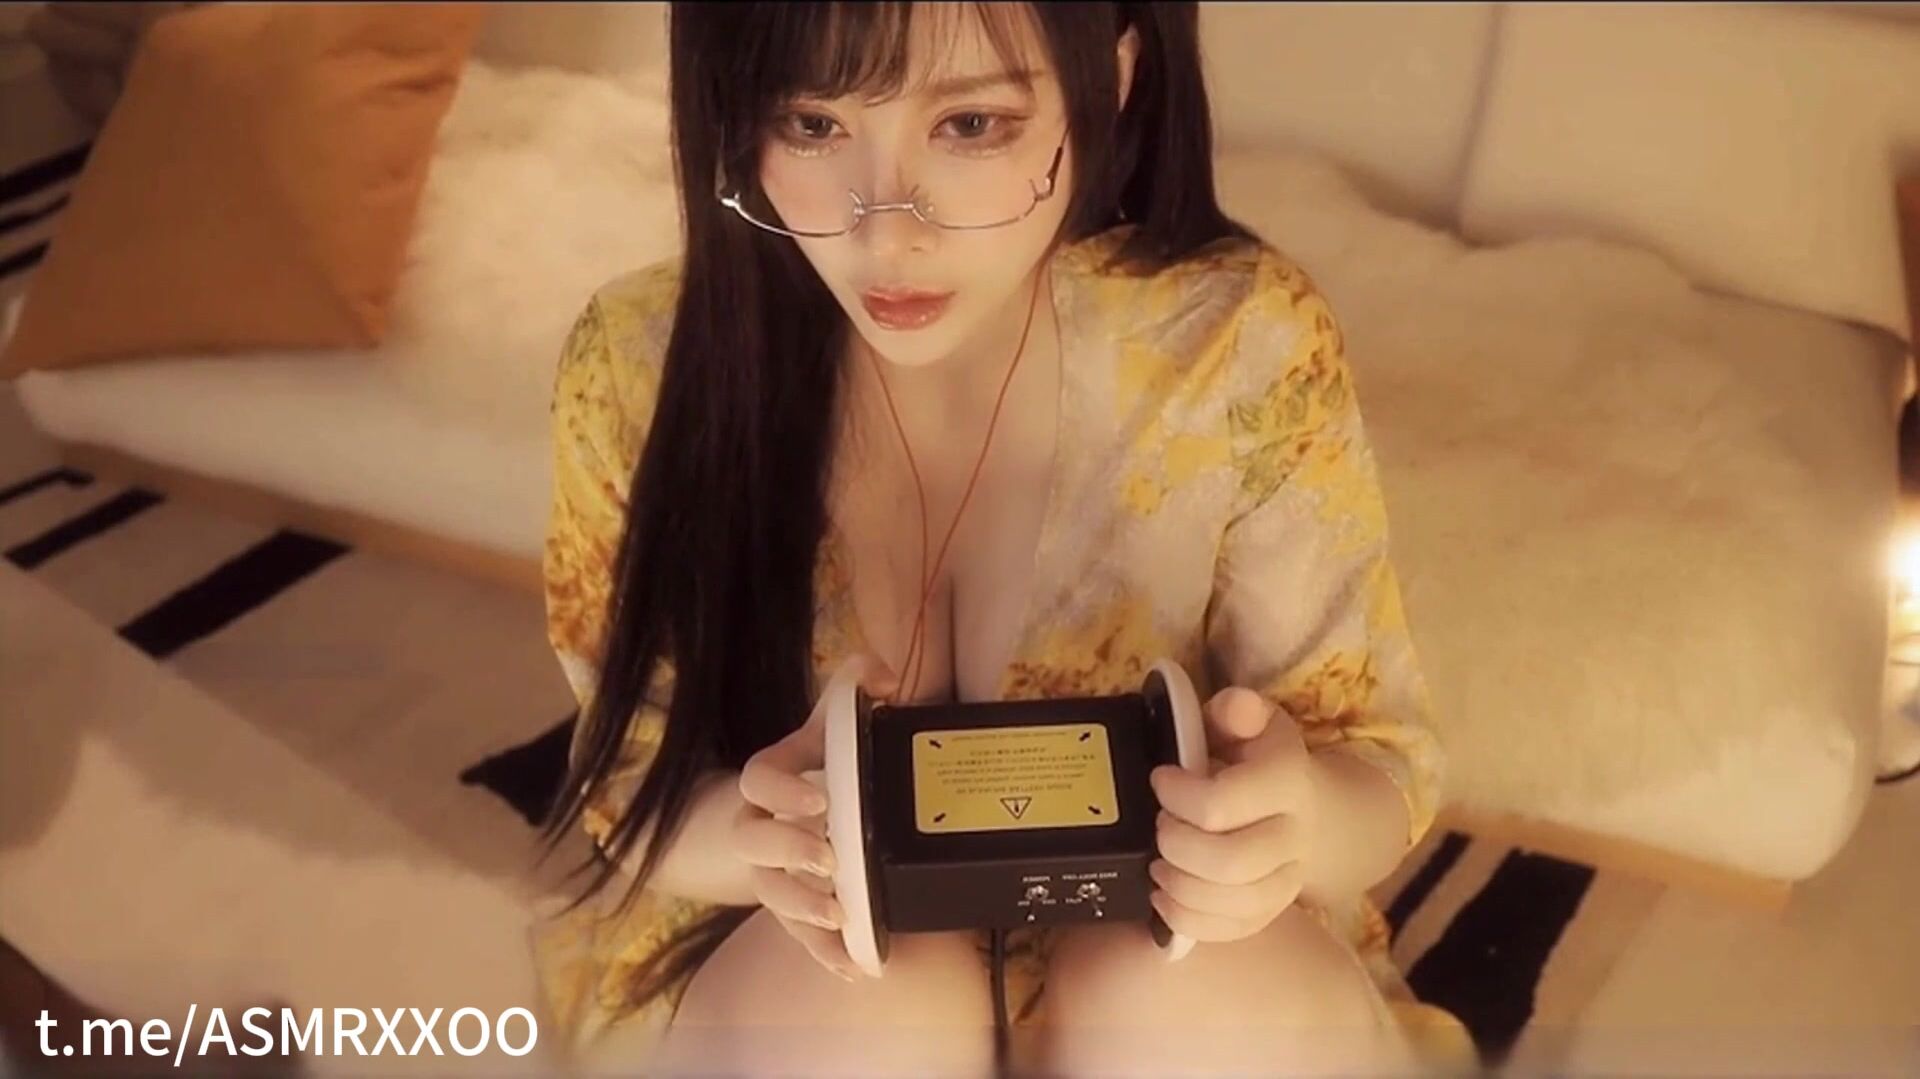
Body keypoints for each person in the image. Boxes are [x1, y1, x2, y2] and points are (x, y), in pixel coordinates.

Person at [530, 3, 1464, 1075]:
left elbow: (1375, 763)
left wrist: (1285, 825)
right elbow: (632, 783)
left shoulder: (1233, 346)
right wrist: (761, 839)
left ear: (1111, 81)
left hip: (1185, 958)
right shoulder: (639, 366)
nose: (887, 232)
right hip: (788, 963)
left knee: (1184, 997)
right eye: (812, 125)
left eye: (970, 126)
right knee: (863, 1010)